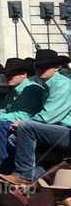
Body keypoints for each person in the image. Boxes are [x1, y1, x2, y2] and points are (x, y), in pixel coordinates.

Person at [8, 49, 71, 182]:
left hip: (67, 133)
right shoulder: (47, 86)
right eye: (38, 66)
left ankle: (23, 175)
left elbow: (49, 116)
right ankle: (38, 173)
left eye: (45, 66)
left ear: (56, 67)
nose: (40, 69)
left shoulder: (64, 85)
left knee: (26, 126)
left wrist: (21, 123)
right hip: (56, 131)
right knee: (13, 139)